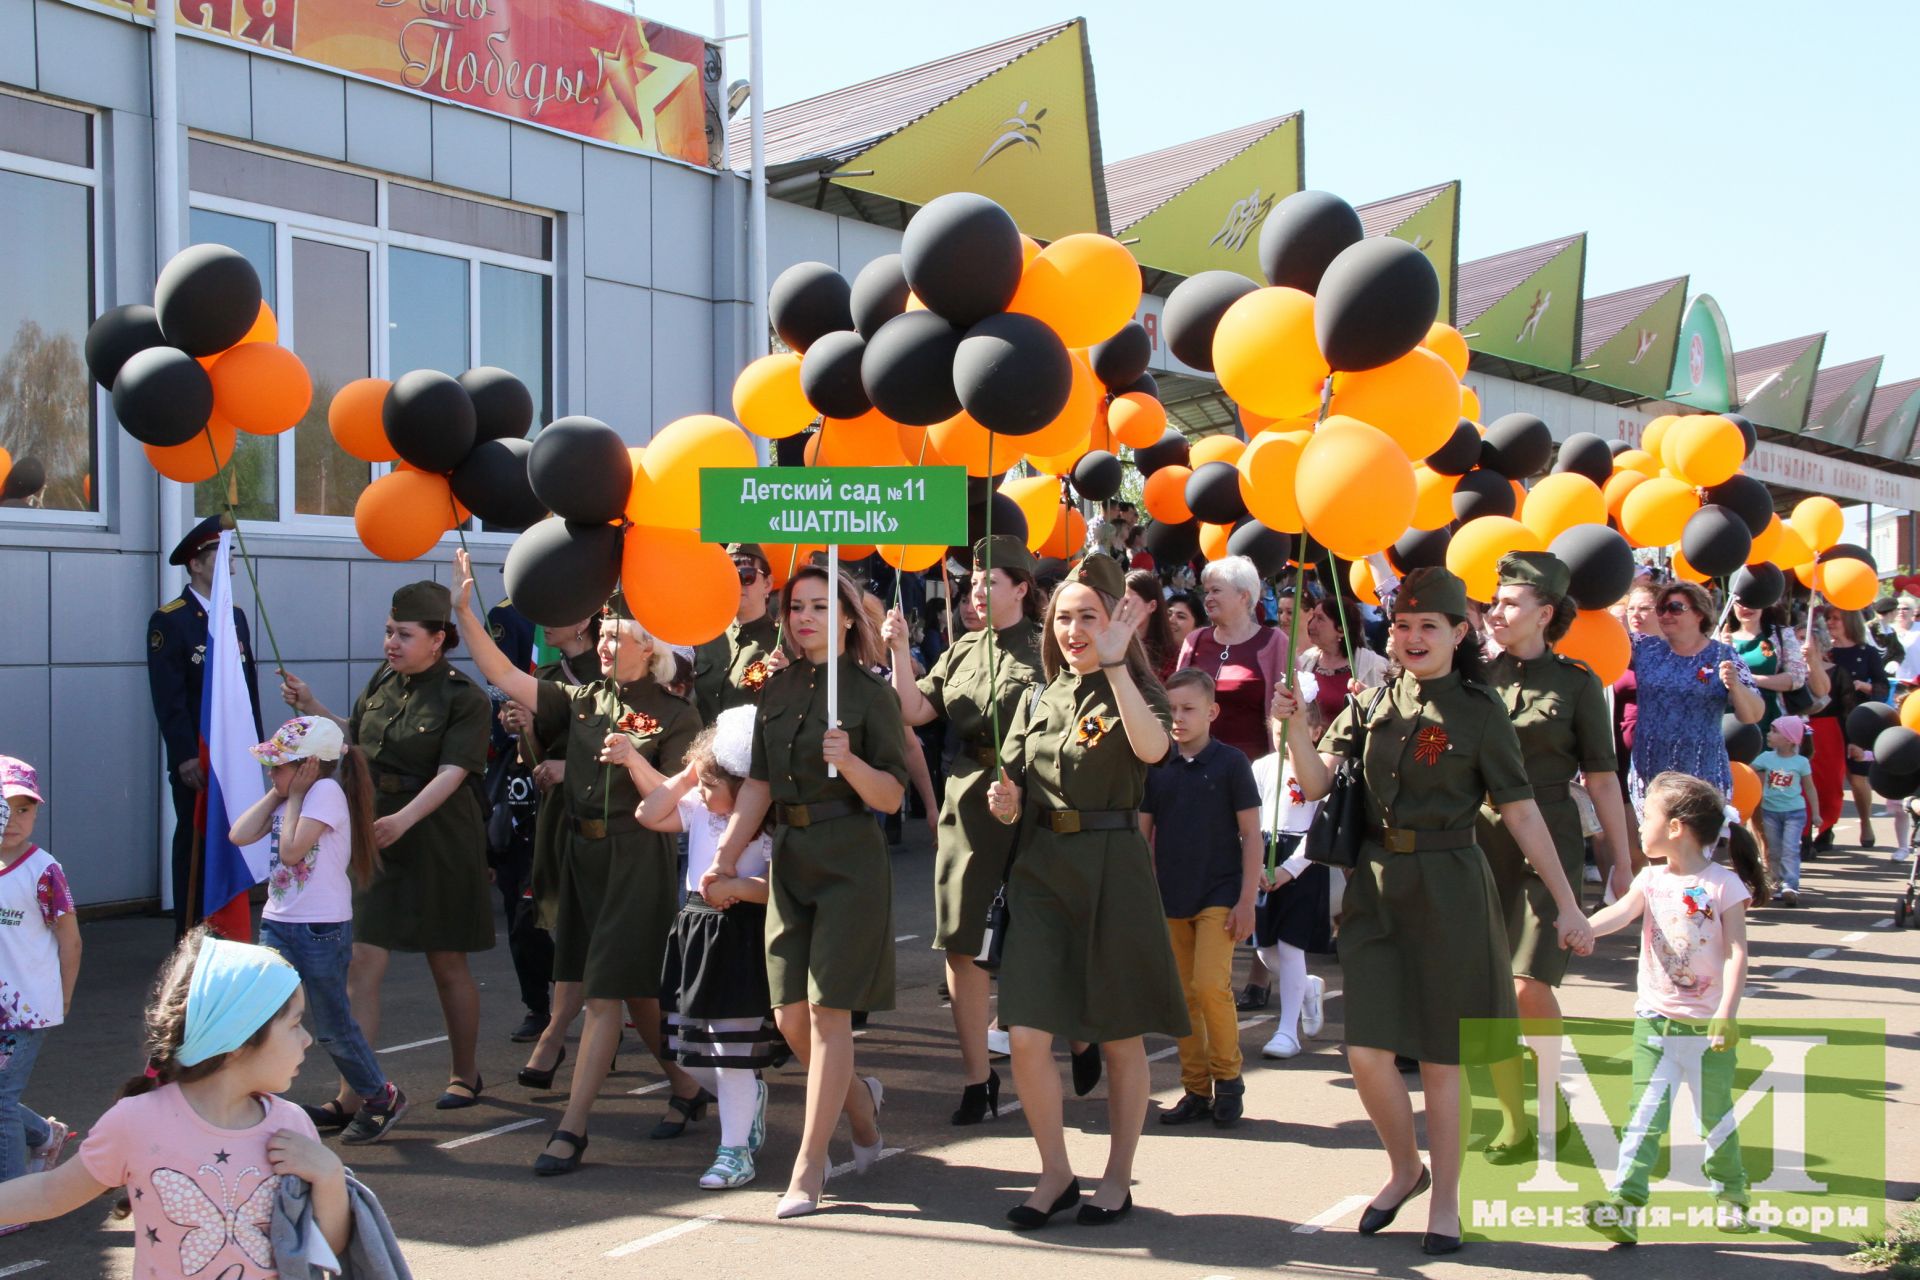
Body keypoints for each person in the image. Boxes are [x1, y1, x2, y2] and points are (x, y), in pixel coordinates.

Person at [1272, 566, 1594, 1257]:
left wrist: (1568, 902)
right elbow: (1319, 781)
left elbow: (1522, 811)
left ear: (1458, 633)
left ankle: (1444, 1201)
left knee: (1444, 1060)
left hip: (1451, 884)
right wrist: (1296, 727)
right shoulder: (1373, 702)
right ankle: (1404, 1168)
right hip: (1378, 889)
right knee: (1366, 1053)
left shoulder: (1481, 712)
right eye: (1403, 625)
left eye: (1429, 626)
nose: (1412, 637)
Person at [451, 555, 702, 1175]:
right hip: (579, 852)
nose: (607, 645)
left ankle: (573, 1129)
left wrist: (634, 763)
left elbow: (677, 800)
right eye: (606, 635)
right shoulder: (583, 699)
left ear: (652, 650)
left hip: (636, 856)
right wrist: (463, 615)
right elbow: (507, 676)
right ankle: (689, 1088)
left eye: (621, 638)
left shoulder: (677, 714)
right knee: (636, 992)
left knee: (601, 998)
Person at [985, 554, 1187, 1228]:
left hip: (1114, 868)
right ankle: (1054, 1173)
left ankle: (1117, 1177)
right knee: (1026, 1035)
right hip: (1043, 870)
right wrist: (1006, 802)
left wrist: (1117, 663)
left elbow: (1155, 751)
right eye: (1064, 617)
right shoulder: (1040, 696)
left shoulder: (1133, 686)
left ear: (1114, 624)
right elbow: (1015, 790)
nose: (1074, 629)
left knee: (1121, 1036)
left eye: (1088, 617)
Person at [706, 564, 908, 1219]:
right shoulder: (779, 688)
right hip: (789, 859)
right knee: (791, 1017)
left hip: (850, 858)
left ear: (848, 618)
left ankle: (809, 1167)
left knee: (827, 1015)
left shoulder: (872, 694)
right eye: (797, 606)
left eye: (821, 607)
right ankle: (862, 1108)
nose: (805, 617)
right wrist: (726, 853)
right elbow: (759, 784)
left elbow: (892, 795)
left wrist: (848, 760)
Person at [0, 931, 350, 1268]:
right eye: (295, 1024)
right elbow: (51, 1194)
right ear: (237, 1040)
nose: (307, 1039)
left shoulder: (292, 1125)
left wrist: (330, 1176)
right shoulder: (136, 1122)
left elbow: (323, 1248)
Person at [278, 580, 493, 1113]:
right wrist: (313, 705)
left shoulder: (463, 697)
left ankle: (465, 1074)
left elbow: (454, 771)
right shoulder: (383, 680)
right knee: (361, 960)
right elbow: (356, 739)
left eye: (404, 633)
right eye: (388, 631)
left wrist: (405, 819)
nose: (390, 643)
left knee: (447, 961)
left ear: (438, 639)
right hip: (378, 830)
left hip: (439, 834)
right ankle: (357, 1092)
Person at [1477, 552, 1634, 1161]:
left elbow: (1601, 780)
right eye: (1493, 601)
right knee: (1489, 988)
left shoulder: (1576, 683)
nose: (1496, 611)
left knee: (1527, 983)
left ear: (1544, 614)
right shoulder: (1470, 678)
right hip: (1480, 838)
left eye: (1510, 603)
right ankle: (1516, 1120)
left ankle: (1550, 1096)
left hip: (1549, 841)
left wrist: (1622, 861)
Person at [883, 535, 1044, 1126]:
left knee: (1037, 930)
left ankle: (1071, 1039)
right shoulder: (963, 648)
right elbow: (914, 711)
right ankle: (979, 1077)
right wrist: (901, 650)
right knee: (960, 939)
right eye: (973, 581)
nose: (976, 589)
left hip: (1033, 795)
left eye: (990, 581)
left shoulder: (1049, 648)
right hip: (969, 794)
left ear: (1022, 588)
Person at [1582, 773, 1766, 1244]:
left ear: (1678, 827)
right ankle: (1624, 1204)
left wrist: (1727, 1011)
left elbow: (1736, 953)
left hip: (1708, 1028)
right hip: (1654, 1021)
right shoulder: (1650, 879)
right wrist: (1583, 928)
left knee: (1715, 1117)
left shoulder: (1723, 884)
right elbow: (1619, 913)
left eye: (1648, 818)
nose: (1640, 826)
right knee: (1644, 1116)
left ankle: (1731, 1194)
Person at [227, 717, 402, 1144]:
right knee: (264, 1016)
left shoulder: (324, 793)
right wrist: (280, 792)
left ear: (309, 766)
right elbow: (239, 834)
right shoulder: (294, 794)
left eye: (280, 766)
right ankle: (255, 1104)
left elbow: (290, 853)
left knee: (332, 1027)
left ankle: (381, 1098)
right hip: (279, 920)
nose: (272, 772)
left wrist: (297, 794)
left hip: (319, 926)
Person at [639, 708, 778, 1190]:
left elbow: (780, 887)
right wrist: (688, 773)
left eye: (711, 784)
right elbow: (647, 812)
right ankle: (749, 1101)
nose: (701, 792)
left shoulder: (765, 825)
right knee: (689, 1054)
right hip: (696, 930)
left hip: (740, 933)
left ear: (740, 786)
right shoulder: (698, 807)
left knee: (732, 1053)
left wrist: (737, 885)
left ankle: (734, 1151)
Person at [1141, 669, 1261, 1129]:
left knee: (1211, 986)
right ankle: (1195, 1089)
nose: (1178, 718)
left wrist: (1247, 899)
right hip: (1171, 896)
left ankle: (1229, 1078)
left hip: (1220, 894)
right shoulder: (1158, 766)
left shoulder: (1231, 763)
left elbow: (1251, 834)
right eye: (1171, 709)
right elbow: (1142, 835)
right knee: (1184, 997)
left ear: (1212, 712)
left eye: (1189, 709)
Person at [146, 514, 263, 936]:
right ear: (196, 564)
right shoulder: (171, 620)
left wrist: (258, 750)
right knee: (196, 841)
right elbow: (169, 699)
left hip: (235, 757)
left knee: (236, 838)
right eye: (222, 554)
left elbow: (245, 695)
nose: (232, 564)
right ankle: (191, 935)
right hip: (200, 759)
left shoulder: (236, 617)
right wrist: (184, 756)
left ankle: (227, 933)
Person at [508, 616, 599, 1082]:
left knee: (591, 929)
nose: (544, 624)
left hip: (602, 812)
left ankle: (558, 1035)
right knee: (559, 922)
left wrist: (573, 765)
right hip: (555, 814)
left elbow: (635, 744)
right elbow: (535, 758)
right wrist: (524, 727)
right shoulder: (544, 676)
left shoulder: (609, 671)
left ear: (583, 620)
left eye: (556, 614)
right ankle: (564, 1028)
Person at [0, 758, 79, 1199]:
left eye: (24, 809)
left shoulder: (42, 869)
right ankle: (45, 1137)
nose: (13, 820)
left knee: (1, 1101)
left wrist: (62, 998)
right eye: (4, 807)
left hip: (26, 1010)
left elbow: (70, 940)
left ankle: (13, 1200)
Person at [1627, 581, 1764, 815]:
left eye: (1675, 608)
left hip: (1702, 771)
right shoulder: (1642, 647)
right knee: (1653, 844)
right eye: (1661, 609)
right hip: (1651, 768)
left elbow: (1753, 715)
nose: (1666, 615)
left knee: (1693, 848)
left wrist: (1735, 685)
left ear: (1699, 612)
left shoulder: (1724, 655)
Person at [483, 599, 553, 1045]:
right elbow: (500, 682)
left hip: (567, 787)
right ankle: (537, 1006)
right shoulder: (509, 614)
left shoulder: (599, 615)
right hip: (519, 787)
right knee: (520, 914)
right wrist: (510, 722)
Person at [1250, 693, 1331, 1060]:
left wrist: (1289, 869)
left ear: (1314, 732)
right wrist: (1254, 864)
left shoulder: (1318, 772)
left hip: (1301, 862)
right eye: (1278, 729)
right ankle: (1306, 986)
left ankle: (1288, 1031)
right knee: (1265, 949)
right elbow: (1250, 819)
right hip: (1264, 857)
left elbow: (1319, 830)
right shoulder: (1262, 767)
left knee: (1289, 945)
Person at [1176, 556, 1292, 760]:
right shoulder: (1195, 641)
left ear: (1244, 596)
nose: (1208, 598)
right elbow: (1175, 701)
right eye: (1206, 591)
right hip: (1195, 764)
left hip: (1252, 769)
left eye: (1216, 590)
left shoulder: (1274, 642)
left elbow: (1294, 707)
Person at [1807, 604, 1887, 849]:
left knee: (1857, 777)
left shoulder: (1867, 652)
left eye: (1837, 618)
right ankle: (1824, 827)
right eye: (1828, 618)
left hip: (1857, 720)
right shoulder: (1824, 651)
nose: (1831, 622)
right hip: (1828, 717)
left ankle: (1865, 822)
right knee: (1821, 776)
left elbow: (1883, 687)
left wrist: (1865, 686)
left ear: (1850, 621)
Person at [1751, 716, 1817, 904]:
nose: (1769, 734)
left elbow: (1810, 788)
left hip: (1794, 813)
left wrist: (1817, 813)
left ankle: (1790, 885)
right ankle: (1777, 883)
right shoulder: (1765, 758)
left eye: (1774, 731)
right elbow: (1748, 770)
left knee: (1790, 848)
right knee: (1774, 850)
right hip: (1770, 812)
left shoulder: (1801, 762)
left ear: (1789, 739)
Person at [1724, 599, 1806, 732]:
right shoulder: (1720, 639)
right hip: (1733, 721)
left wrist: (1750, 679)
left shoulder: (1782, 635)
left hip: (1774, 722)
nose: (1746, 607)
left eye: (1752, 601)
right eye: (1740, 602)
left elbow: (1796, 678)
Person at [1126, 569, 1179, 678]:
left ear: (1152, 606)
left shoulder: (1171, 654)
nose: (1122, 608)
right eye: (1118, 601)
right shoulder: (1112, 643)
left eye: (1128, 602)